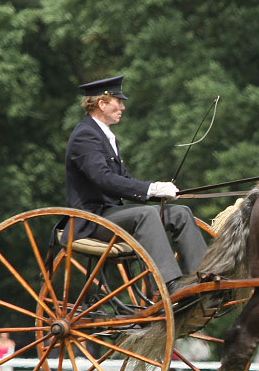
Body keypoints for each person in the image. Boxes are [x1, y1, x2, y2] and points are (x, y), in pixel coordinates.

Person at [64, 75, 207, 292]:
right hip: (92, 219)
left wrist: (157, 190)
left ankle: (203, 276)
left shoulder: (105, 135)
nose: (122, 107)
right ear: (102, 103)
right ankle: (168, 285)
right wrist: (150, 189)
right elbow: (104, 179)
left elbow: (124, 179)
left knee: (181, 212)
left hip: (112, 215)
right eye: (118, 101)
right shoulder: (85, 135)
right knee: (146, 214)